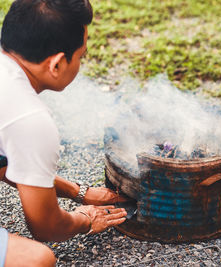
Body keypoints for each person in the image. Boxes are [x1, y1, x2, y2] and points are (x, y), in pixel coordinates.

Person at [0, 0, 128, 266]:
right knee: (38, 259)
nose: (81, 63)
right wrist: (85, 219)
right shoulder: (30, 119)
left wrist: (78, 192)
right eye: (81, 56)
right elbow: (46, 227)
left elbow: (3, 164)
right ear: (57, 64)